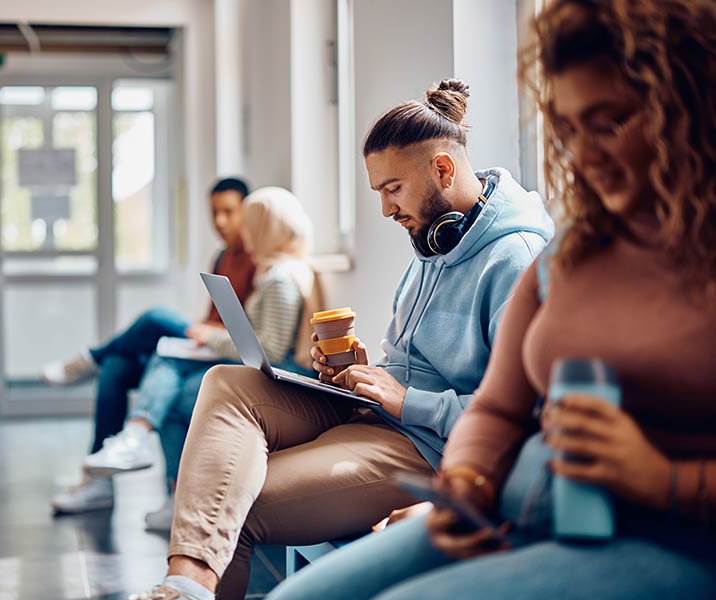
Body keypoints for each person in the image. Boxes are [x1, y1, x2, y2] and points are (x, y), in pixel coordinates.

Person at [265, 2, 716, 599]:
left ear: (688, 111)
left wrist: (663, 479)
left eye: (609, 123)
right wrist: (468, 484)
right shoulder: (574, 255)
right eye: (569, 129)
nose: (583, 156)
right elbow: (500, 410)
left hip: (662, 535)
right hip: (514, 508)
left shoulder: (527, 251)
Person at [130, 79, 554, 600]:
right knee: (226, 382)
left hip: (427, 444)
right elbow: (413, 359)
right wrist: (358, 369)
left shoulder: (515, 261)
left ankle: (184, 588)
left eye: (392, 189)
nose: (385, 209)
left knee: (226, 506)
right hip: (375, 413)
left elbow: (525, 418)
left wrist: (408, 400)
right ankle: (185, 586)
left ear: (442, 169)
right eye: (378, 192)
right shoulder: (433, 241)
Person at [48, 178, 256, 515]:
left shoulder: (259, 258)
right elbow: (213, 316)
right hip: (204, 348)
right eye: (214, 213)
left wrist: (205, 332)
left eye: (229, 212)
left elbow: (248, 334)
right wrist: (201, 332)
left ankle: (90, 358)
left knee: (156, 319)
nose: (220, 221)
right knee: (117, 367)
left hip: (226, 354)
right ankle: (100, 482)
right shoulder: (222, 257)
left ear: (248, 211)